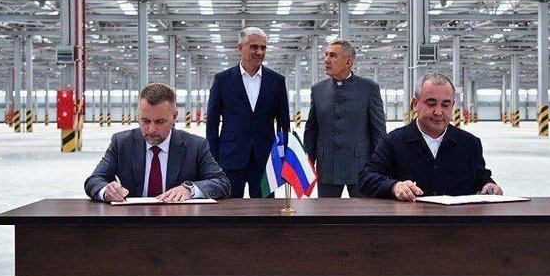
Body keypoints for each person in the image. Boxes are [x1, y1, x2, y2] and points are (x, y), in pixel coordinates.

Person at [359, 72, 502, 201]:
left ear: (452, 106)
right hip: (410, 220)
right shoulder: (393, 142)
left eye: (445, 105)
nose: (438, 112)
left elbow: (481, 179)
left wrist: (489, 185)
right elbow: (367, 179)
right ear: (415, 104)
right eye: (431, 104)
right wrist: (394, 186)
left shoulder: (470, 144)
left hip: (457, 220)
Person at [85, 83, 230, 202]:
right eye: (145, 121)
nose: (151, 129)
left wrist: (189, 189)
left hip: (180, 221)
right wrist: (106, 191)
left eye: (160, 122)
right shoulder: (121, 143)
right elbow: (95, 179)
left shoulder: (195, 146)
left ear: (174, 117)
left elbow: (221, 183)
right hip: (134, 220)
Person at [206, 26, 290, 198]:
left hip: (266, 159)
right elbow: (212, 122)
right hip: (230, 157)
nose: (259, 52)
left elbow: (284, 123)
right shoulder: (222, 80)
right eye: (254, 47)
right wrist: (213, 158)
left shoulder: (277, 81)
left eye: (263, 48)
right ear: (240, 48)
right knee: (228, 207)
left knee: (265, 209)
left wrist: (282, 156)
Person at [303, 39, 386, 198]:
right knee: (326, 212)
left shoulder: (369, 89)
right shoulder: (318, 90)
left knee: (363, 211)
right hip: (327, 166)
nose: (326, 60)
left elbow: (378, 130)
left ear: (348, 62)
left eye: (333, 55)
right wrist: (309, 160)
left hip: (360, 167)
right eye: (326, 55)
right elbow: (312, 128)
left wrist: (379, 164)